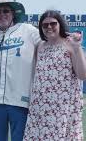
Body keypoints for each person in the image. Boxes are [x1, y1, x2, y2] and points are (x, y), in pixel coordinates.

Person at [0, 0, 40, 141]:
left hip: (20, 100)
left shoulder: (28, 31)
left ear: (13, 13)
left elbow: (49, 42)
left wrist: (69, 41)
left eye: (6, 10)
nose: (2, 14)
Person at [23, 10, 86, 140]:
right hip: (40, 107)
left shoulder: (70, 45)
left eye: (53, 23)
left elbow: (82, 75)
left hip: (63, 108)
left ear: (60, 25)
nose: (49, 27)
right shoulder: (39, 47)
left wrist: (77, 48)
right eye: (45, 25)